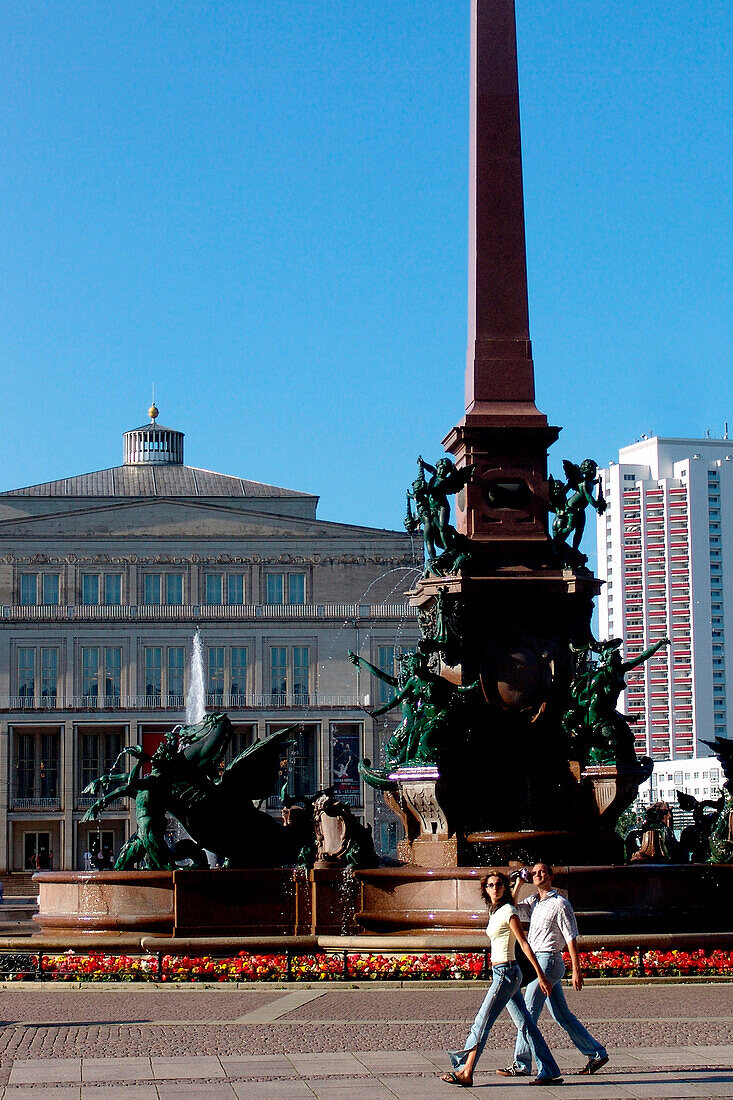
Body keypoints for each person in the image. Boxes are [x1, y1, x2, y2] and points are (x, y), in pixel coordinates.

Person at [441, 871, 563, 1087]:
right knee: (526, 1023)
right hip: (504, 973)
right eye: (491, 885)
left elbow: (524, 944)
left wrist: (541, 976)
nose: (495, 888)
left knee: (482, 1022)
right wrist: (517, 886)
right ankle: (550, 1070)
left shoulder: (509, 911)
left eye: (499, 884)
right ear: (486, 889)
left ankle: (465, 1070)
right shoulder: (495, 910)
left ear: (504, 888)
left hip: (506, 973)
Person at [498, 862, 609, 1078]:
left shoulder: (560, 903)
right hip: (537, 962)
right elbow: (509, 909)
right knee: (561, 1015)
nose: (537, 875)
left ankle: (521, 1064)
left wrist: (576, 969)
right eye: (534, 873)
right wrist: (519, 883)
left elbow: (571, 937)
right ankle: (596, 1053)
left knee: (528, 1011)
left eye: (542, 872)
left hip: (549, 961)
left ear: (551, 877)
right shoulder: (534, 902)